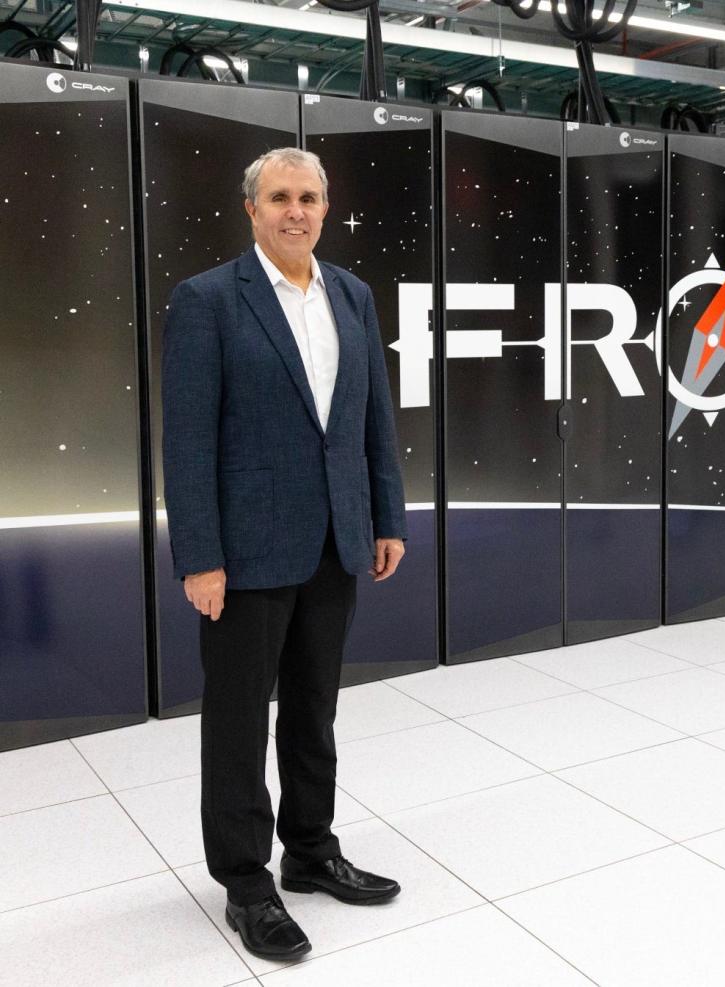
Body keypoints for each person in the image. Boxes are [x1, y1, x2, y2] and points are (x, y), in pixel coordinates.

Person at [162, 147, 407, 961]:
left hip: (338, 539)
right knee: (237, 722)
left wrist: (386, 515)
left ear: (326, 208)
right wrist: (199, 555)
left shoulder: (353, 295)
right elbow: (188, 442)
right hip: (245, 551)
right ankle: (245, 881)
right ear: (251, 209)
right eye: (279, 197)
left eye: (309, 197)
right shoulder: (206, 301)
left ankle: (310, 849)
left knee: (314, 708)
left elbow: (372, 418)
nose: (295, 210)